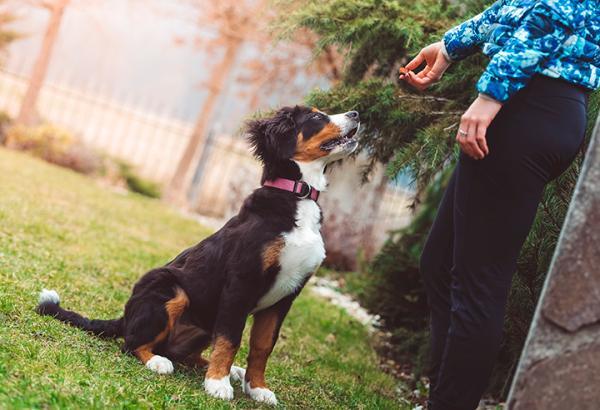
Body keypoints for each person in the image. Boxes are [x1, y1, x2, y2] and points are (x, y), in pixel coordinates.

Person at [400, 1, 600, 409]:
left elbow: (552, 13)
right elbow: (519, 6)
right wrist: (450, 46)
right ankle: (440, 397)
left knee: (479, 285)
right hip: (536, 103)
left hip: (530, 104)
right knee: (439, 264)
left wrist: (492, 95)